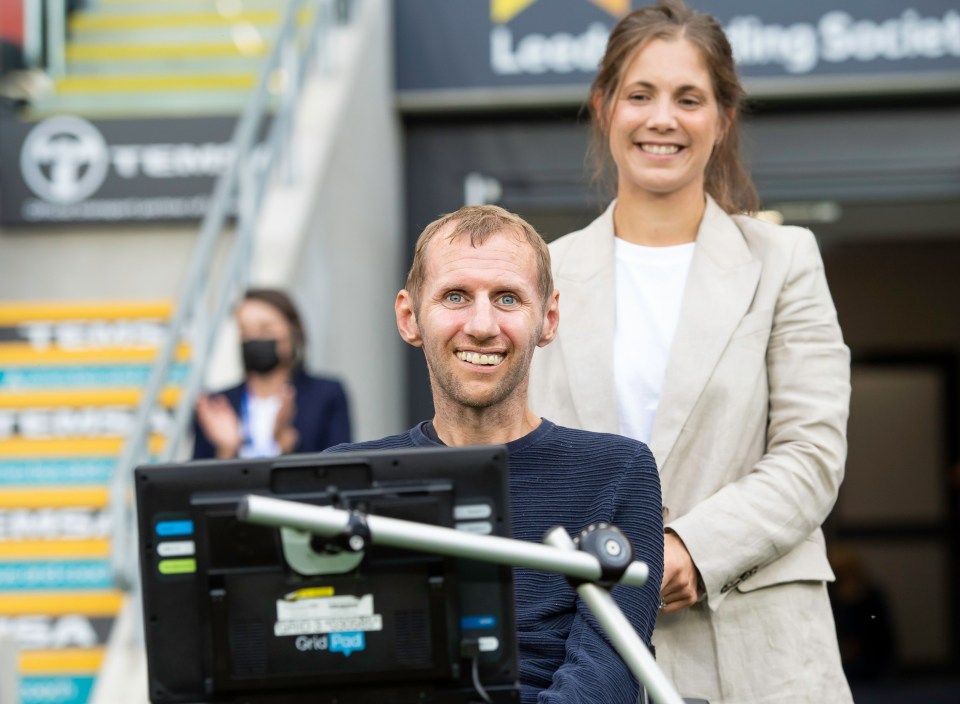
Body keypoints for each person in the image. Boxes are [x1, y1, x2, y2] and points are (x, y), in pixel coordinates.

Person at [527, 2, 853, 701]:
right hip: (587, 654)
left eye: (689, 98)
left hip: (757, 656)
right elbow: (524, 460)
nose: (661, 119)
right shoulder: (543, 274)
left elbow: (812, 455)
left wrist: (692, 550)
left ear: (723, 117)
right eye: (639, 95)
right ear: (603, 107)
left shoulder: (784, 260)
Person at [327, 205, 664, 703]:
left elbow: (606, 677)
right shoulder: (346, 478)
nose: (482, 325)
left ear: (547, 319)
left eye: (507, 298)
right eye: (456, 296)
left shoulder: (617, 472)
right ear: (409, 316)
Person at [192, 288, 351, 459]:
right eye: (244, 330)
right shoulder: (219, 405)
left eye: (265, 329)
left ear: (294, 331)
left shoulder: (326, 395)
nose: (254, 338)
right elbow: (199, 480)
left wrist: (287, 441)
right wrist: (227, 450)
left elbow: (340, 472)